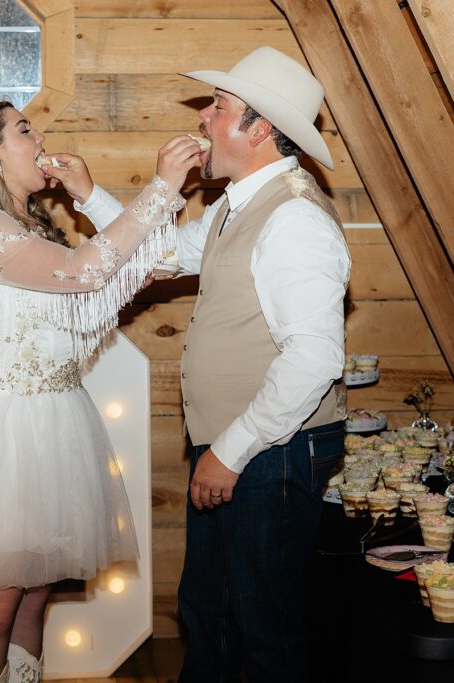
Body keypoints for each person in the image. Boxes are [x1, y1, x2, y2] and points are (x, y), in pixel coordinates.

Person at [74, 46, 351, 681]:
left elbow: (313, 358)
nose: (202, 117)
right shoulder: (237, 203)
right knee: (212, 616)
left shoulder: (295, 217)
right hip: (244, 446)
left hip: (272, 451)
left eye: (219, 107)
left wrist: (229, 452)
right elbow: (163, 254)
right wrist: (89, 195)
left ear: (259, 129)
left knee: (265, 631)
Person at [0, 101, 202, 683]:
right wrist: (162, 187)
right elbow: (85, 271)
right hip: (3, 434)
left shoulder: (28, 226)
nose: (40, 138)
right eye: (24, 130)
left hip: (53, 423)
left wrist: (89, 195)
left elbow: (119, 274)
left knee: (35, 592)